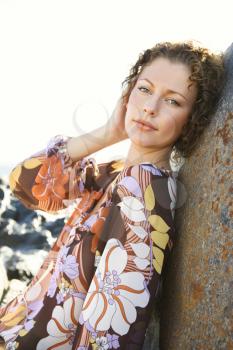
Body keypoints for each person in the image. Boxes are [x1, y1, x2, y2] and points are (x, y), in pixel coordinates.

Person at [0, 40, 225, 350]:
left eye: (173, 101)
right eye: (144, 89)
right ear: (127, 94)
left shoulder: (147, 189)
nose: (150, 107)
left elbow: (108, 335)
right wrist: (108, 132)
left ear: (192, 120)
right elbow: (25, 184)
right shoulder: (115, 174)